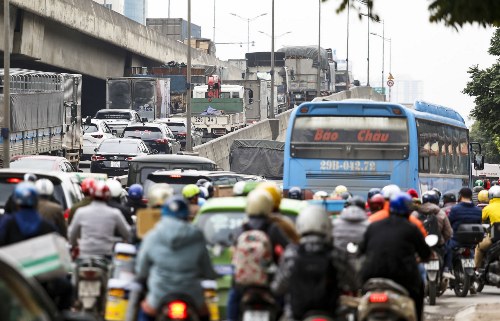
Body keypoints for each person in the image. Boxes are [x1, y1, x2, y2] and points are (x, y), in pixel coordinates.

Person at [135, 196, 217, 321]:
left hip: (159, 293)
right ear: (186, 216)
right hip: (191, 293)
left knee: (145, 313)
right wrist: (213, 275)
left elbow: (142, 269)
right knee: (205, 315)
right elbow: (207, 269)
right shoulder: (197, 236)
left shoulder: (152, 236)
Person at [0, 182, 73, 310]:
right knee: (68, 288)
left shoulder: (7, 223)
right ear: (35, 202)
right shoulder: (46, 225)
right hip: (42, 277)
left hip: (13, 276)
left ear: (16, 203)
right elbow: (60, 242)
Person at [360, 192, 432, 321]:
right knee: (419, 290)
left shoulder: (374, 225)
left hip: (371, 275)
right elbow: (425, 253)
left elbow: (361, 250)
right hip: (403, 277)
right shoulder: (411, 228)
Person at [227, 189, 290, 321]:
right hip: (268, 280)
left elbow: (233, 252)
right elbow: (289, 249)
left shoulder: (242, 228)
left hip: (244, 283)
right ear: (269, 206)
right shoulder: (273, 228)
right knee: (284, 299)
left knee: (233, 297)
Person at [272, 205, 340, 320]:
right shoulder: (335, 253)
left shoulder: (292, 253)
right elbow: (352, 280)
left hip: (296, 314)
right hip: (330, 313)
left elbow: (279, 286)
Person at [68, 181, 131, 257]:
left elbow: (71, 234)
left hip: (85, 254)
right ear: (108, 196)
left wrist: (76, 244)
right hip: (106, 254)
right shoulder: (115, 213)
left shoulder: (80, 212)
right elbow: (127, 234)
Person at [446, 187, 482, 271]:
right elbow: (479, 224)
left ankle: (447, 270)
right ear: (471, 196)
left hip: (457, 241)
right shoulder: (478, 210)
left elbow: (449, 224)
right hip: (472, 242)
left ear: (460, 196)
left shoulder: (455, 209)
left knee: (446, 249)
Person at [411, 191, 452, 257]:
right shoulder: (441, 213)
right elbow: (448, 233)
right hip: (438, 245)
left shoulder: (415, 213)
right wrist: (441, 240)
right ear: (437, 201)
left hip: (420, 245)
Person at [474, 185, 500, 268]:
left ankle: (476, 269)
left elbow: (479, 219)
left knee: (479, 248)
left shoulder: (488, 208)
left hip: (495, 236)